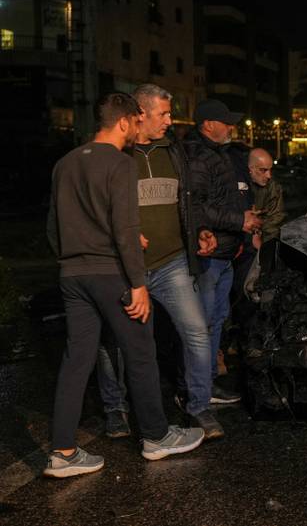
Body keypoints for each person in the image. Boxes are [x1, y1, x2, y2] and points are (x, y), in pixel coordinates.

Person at [44, 93, 203, 477]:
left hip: (72, 275)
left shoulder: (65, 163)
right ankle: (156, 437)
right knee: (140, 351)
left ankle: (62, 452)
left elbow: (53, 228)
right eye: (136, 122)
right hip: (111, 273)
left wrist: (74, 259)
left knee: (76, 358)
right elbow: (125, 226)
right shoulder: (119, 163)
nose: (137, 130)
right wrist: (137, 283)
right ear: (124, 122)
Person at [94, 84, 228, 439]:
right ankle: (115, 409)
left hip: (172, 263)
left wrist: (199, 229)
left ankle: (199, 406)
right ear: (140, 112)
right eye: (163, 114)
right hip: (125, 267)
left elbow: (188, 199)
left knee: (197, 332)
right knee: (116, 342)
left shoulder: (175, 150)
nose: (170, 120)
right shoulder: (116, 154)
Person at [184, 99, 262, 400]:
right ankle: (195, 393)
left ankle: (207, 386)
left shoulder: (218, 154)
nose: (232, 127)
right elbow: (196, 207)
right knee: (201, 326)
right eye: (226, 121)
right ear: (208, 125)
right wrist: (238, 219)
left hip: (226, 253)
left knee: (214, 321)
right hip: (210, 255)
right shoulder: (199, 157)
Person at [248, 148, 286, 246]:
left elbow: (275, 221)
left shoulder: (273, 187)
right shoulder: (234, 183)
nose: (269, 175)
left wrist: (265, 247)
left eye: (270, 170)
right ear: (250, 168)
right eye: (263, 170)